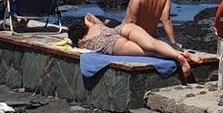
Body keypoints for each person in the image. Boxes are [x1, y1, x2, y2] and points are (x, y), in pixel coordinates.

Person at [66, 13, 206, 77]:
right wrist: (89, 18)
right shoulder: (95, 27)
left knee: (149, 52)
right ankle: (182, 54)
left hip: (112, 43)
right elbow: (95, 21)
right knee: (152, 43)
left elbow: (76, 46)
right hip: (123, 28)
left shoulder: (82, 41)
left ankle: (180, 57)